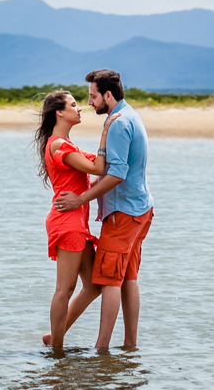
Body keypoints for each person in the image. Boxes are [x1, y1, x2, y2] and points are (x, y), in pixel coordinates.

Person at [54, 69, 154, 350]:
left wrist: (80, 199)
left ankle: (101, 350)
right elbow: (112, 171)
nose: (90, 103)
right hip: (140, 209)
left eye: (93, 96)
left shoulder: (119, 123)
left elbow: (117, 174)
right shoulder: (128, 114)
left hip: (124, 214)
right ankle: (130, 345)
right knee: (127, 279)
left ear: (108, 95)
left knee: (109, 280)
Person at [34, 89, 110, 350]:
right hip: (67, 221)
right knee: (64, 289)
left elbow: (103, 161)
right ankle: (56, 350)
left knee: (93, 286)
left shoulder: (68, 145)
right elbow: (98, 168)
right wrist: (105, 131)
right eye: (74, 104)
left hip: (78, 222)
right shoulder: (58, 145)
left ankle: (53, 337)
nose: (80, 108)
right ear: (59, 112)